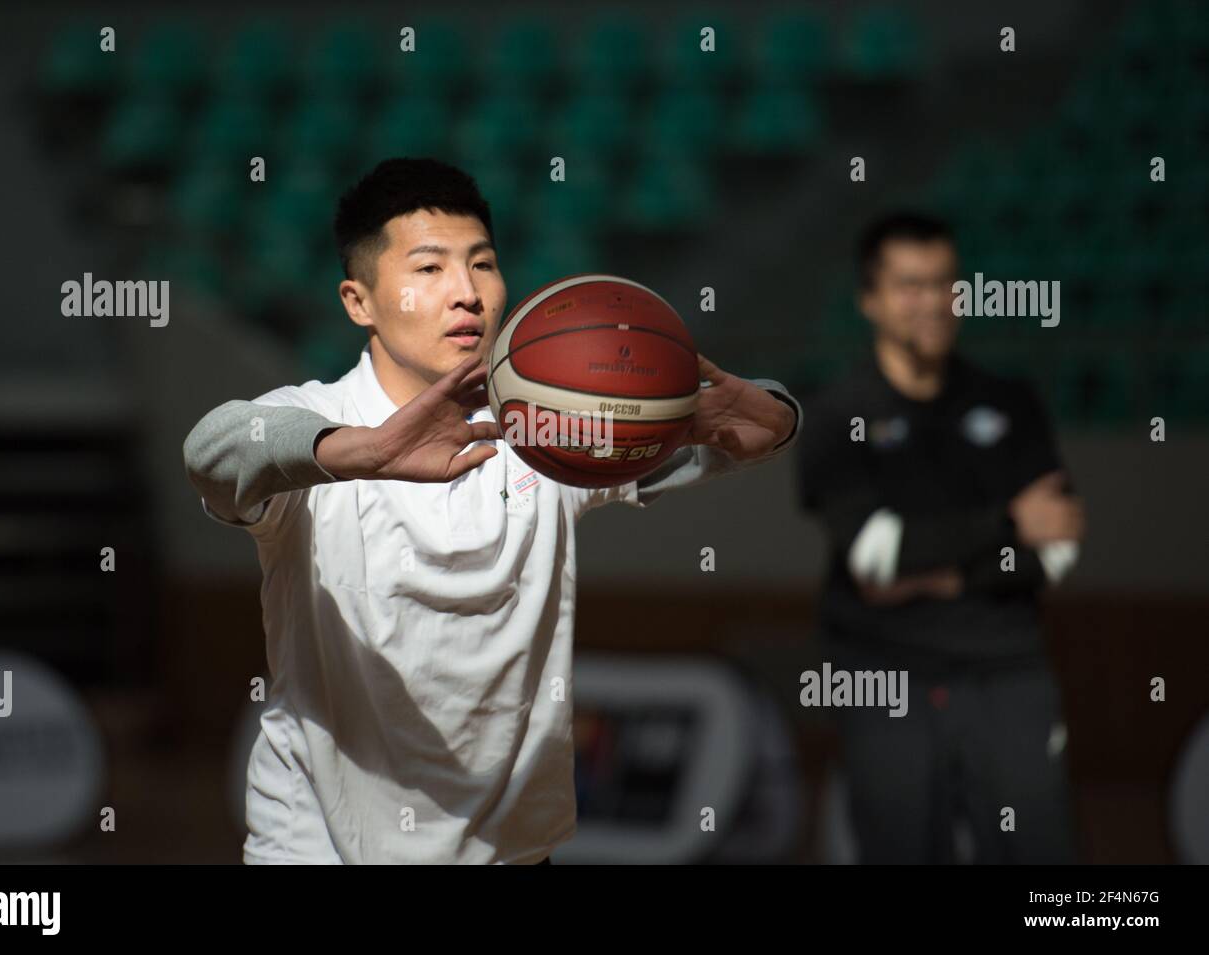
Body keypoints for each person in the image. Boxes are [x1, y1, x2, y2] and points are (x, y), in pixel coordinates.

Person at [182, 157, 801, 864]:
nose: (467, 293)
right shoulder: (320, 421)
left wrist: (762, 418)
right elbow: (213, 449)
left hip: (510, 849)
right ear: (359, 301)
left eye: (482, 264)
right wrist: (367, 450)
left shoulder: (544, 433)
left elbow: (744, 433)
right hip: (319, 845)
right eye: (429, 269)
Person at [797, 212, 1085, 864]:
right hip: (880, 674)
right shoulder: (836, 414)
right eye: (909, 285)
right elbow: (876, 557)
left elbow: (1060, 547)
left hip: (1008, 670)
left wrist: (939, 572)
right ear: (869, 299)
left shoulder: (1011, 401)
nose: (930, 302)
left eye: (944, 283)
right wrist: (1008, 525)